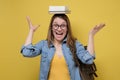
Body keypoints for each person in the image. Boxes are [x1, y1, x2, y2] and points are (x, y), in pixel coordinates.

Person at [21, 14, 105, 80]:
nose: (59, 29)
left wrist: (91, 35)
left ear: (67, 28)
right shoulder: (44, 45)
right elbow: (26, 52)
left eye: (63, 25)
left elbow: (89, 60)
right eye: (56, 25)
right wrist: (31, 31)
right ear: (51, 28)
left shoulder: (75, 44)